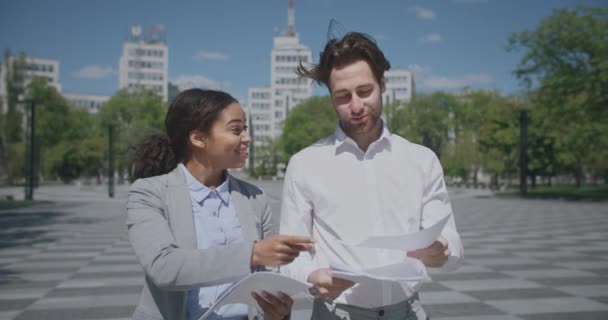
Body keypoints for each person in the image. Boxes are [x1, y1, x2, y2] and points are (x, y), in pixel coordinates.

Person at [279, 32, 463, 319]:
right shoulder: (304, 164)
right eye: (343, 96)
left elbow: (451, 242)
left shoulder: (421, 159)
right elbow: (291, 254)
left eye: (365, 91)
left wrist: (441, 249)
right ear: (331, 99)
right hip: (335, 313)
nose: (355, 106)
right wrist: (311, 275)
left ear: (383, 85)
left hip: (408, 311)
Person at [127, 88, 314, 320]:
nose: (246, 138)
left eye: (245, 129)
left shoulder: (255, 198)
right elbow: (163, 268)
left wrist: (279, 312)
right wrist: (253, 254)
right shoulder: (150, 193)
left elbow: (269, 280)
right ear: (198, 138)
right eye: (236, 130)